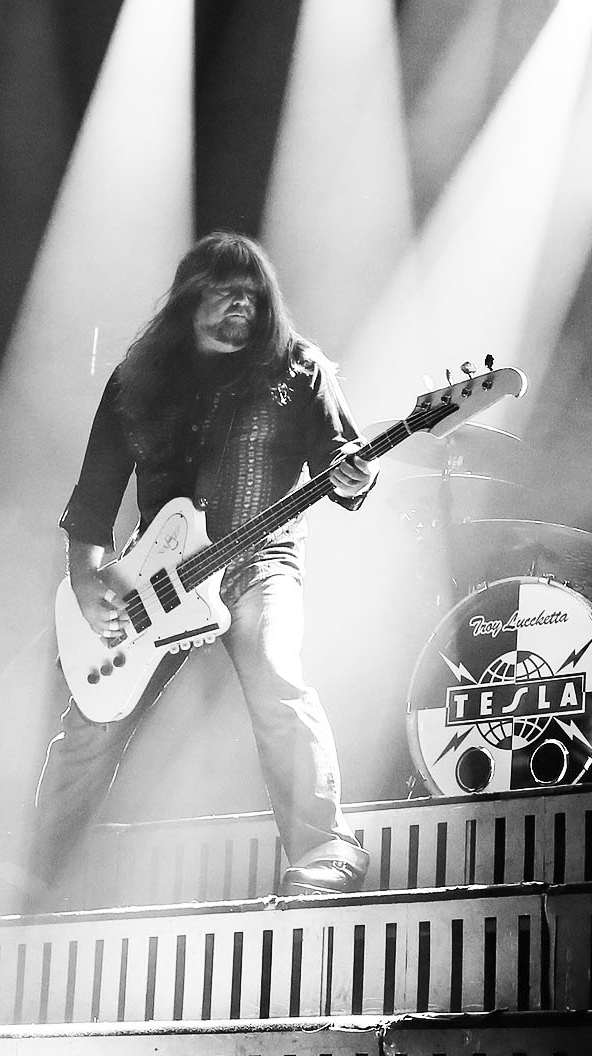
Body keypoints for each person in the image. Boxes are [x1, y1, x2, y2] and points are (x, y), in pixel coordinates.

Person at [32, 231, 377, 901]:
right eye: (226, 290)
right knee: (94, 712)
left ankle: (325, 849)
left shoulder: (298, 369)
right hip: (157, 578)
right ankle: (37, 873)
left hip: (259, 561)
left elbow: (344, 459)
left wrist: (355, 475)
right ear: (190, 298)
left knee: (277, 677)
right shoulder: (137, 380)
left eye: (253, 293)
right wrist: (86, 580)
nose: (243, 303)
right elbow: (92, 500)